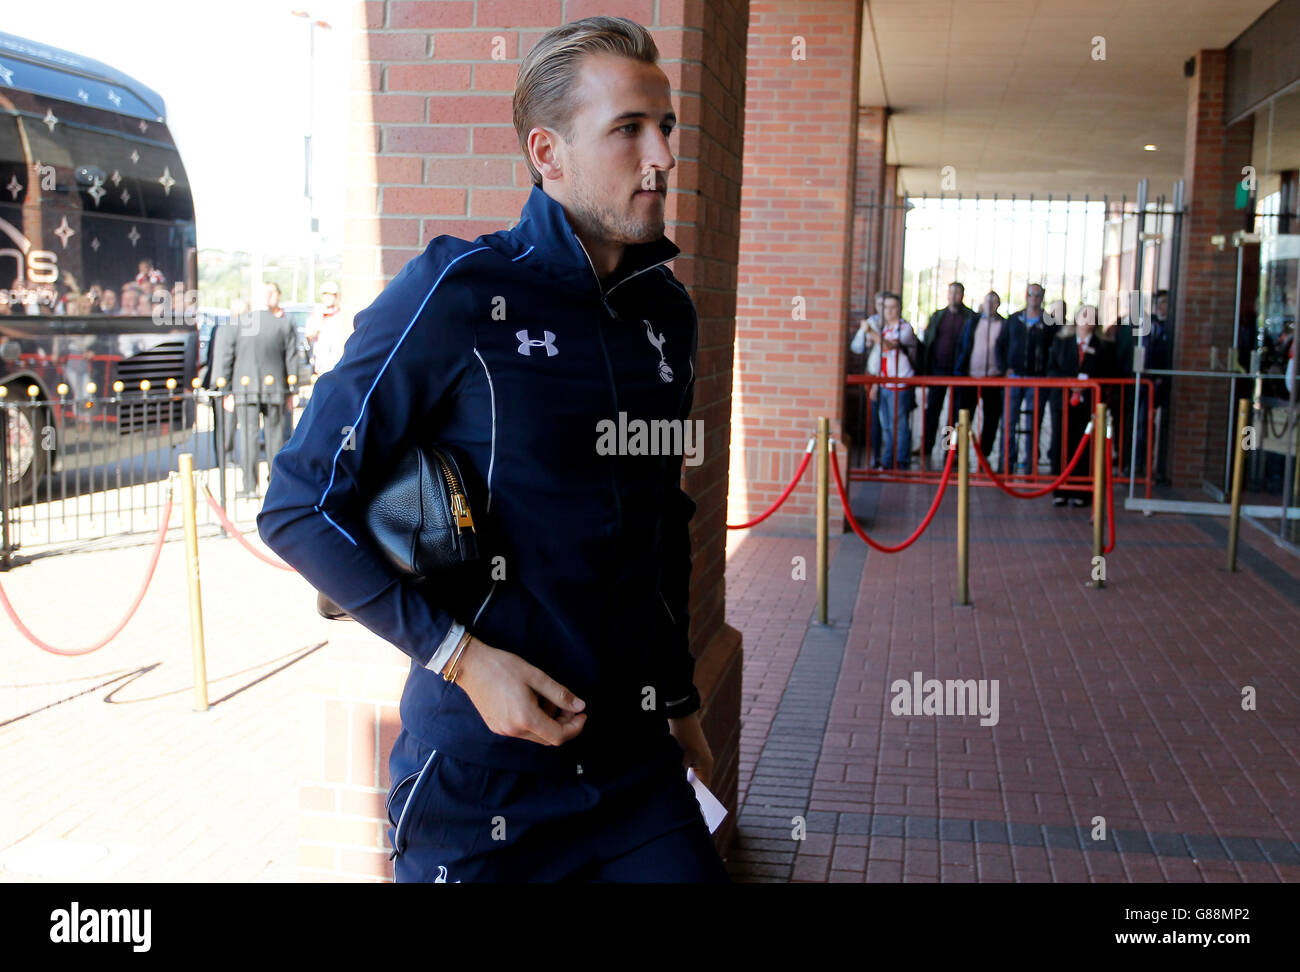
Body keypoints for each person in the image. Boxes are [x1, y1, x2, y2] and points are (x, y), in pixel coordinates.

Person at [256, 16, 727, 884]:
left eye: (666, 127)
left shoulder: (668, 314)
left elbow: (664, 520)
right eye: (629, 128)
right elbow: (296, 508)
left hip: (636, 776)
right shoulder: (458, 291)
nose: (662, 154)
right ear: (548, 154)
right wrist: (464, 663)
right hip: (480, 786)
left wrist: (680, 697)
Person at [216, 287, 297, 497]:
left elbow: (226, 358)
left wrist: (225, 390)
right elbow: (292, 358)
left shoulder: (237, 324)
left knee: (248, 436)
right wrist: (292, 389)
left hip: (244, 388)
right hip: (276, 388)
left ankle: (250, 486)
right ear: (270, 299)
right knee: (275, 436)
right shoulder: (283, 324)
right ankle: (276, 484)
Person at [1047, 304, 1117, 507]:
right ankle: (1059, 489)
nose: (1087, 320)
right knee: (1061, 443)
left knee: (1084, 445)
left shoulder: (1103, 345)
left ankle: (1082, 492)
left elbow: (1108, 371)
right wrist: (1070, 384)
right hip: (1063, 401)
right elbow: (1051, 369)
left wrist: (1087, 385)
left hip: (1089, 404)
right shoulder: (1061, 342)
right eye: (1084, 315)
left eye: (1092, 316)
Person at [920, 281, 974, 468]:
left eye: (957, 293)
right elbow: (929, 340)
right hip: (938, 370)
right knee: (932, 410)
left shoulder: (969, 317)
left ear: (962, 295)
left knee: (954, 415)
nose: (954, 296)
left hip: (959, 372)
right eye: (951, 293)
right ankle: (926, 446)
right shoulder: (938, 316)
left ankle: (949, 449)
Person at [1003, 283, 1047, 474]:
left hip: (1036, 379)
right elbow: (1002, 344)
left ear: (1042, 297)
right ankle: (1006, 463)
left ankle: (1031, 464)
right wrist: (1005, 367)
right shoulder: (1013, 320)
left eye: (1038, 295)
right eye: (1031, 294)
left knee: (1034, 423)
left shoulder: (1049, 322)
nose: (1034, 298)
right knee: (1009, 422)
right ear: (1026, 296)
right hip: (1015, 376)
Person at [874, 292, 918, 470]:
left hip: (900, 385)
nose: (890, 311)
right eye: (886, 308)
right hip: (885, 383)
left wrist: (869, 330)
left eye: (893, 307)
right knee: (886, 425)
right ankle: (888, 459)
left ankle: (901, 461)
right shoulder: (884, 329)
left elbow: (888, 345)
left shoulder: (905, 328)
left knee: (899, 425)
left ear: (899, 309)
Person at [963, 290, 1006, 466]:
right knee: (962, 418)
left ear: (998, 305)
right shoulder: (972, 322)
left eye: (994, 302)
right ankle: (954, 452)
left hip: (994, 379)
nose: (990, 305)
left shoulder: (1004, 324)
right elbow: (963, 345)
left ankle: (985, 453)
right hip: (971, 377)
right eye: (987, 301)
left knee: (991, 418)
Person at [850, 290, 885, 468]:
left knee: (891, 420)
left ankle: (892, 460)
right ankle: (874, 456)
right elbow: (856, 347)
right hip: (872, 374)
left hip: (890, 376)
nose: (883, 309)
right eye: (880, 305)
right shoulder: (871, 323)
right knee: (874, 418)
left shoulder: (898, 324)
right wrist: (867, 340)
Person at [307, 281, 348, 379]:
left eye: (331, 294)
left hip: (337, 361)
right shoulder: (317, 313)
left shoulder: (342, 314)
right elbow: (308, 335)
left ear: (336, 296)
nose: (327, 297)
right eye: (325, 294)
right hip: (321, 363)